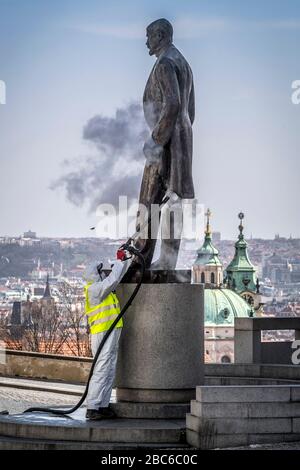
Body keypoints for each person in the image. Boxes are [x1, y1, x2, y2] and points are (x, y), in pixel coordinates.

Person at [135, 18, 195, 270]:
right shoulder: (183, 62)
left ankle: (141, 260)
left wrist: (156, 139)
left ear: (161, 36)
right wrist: (180, 134)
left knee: (149, 201)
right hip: (181, 137)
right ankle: (167, 262)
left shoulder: (165, 64)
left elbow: (172, 104)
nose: (146, 40)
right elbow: (190, 111)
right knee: (174, 199)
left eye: (149, 35)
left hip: (166, 142)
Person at [83, 248, 133, 420]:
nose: (107, 274)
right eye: (104, 271)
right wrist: (119, 262)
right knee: (102, 369)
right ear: (97, 274)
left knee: (109, 369)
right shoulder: (94, 290)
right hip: (102, 333)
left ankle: (102, 405)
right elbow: (113, 280)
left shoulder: (103, 289)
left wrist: (126, 260)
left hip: (110, 332)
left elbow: (116, 278)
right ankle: (92, 407)